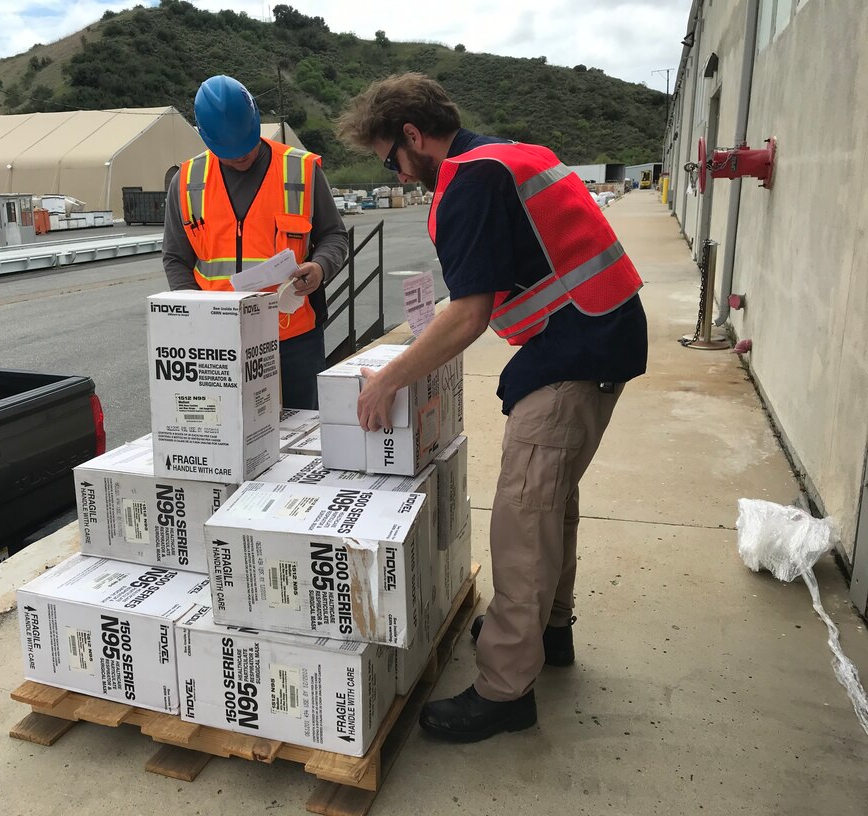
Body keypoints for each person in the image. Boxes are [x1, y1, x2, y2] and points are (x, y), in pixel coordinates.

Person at [337, 73, 648, 742]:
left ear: (414, 137)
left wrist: (388, 378)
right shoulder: (511, 154)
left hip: (578, 347)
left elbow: (469, 313)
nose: (396, 170)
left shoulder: (469, 182)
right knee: (552, 498)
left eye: (391, 157)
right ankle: (551, 629)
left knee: (522, 516)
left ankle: (506, 688)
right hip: (600, 333)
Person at [163, 75, 348, 409]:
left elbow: (334, 236)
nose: (240, 157)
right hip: (219, 342)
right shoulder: (187, 182)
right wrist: (193, 312)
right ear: (204, 137)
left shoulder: (301, 169)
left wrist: (320, 268)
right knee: (229, 438)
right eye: (228, 151)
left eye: (246, 145)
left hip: (293, 340)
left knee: (301, 434)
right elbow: (175, 258)